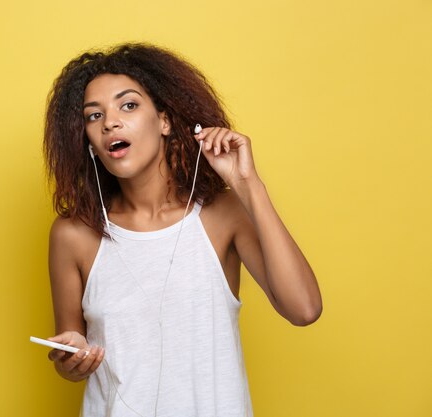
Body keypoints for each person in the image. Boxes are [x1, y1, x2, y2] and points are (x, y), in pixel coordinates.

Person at [42, 43, 322, 417]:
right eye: (94, 116)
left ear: (165, 121)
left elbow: (303, 309)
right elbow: (71, 356)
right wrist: (70, 360)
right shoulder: (73, 235)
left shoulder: (223, 215)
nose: (110, 122)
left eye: (128, 105)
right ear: (90, 143)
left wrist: (248, 185)